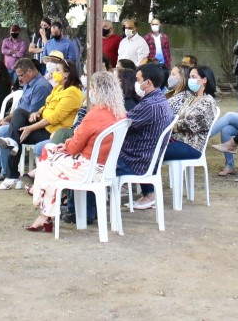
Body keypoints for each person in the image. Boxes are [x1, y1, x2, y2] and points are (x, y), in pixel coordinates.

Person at [24, 71, 126, 232]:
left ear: (98, 90)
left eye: (91, 88)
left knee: (47, 155)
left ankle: (39, 197)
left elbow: (73, 148)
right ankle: (43, 214)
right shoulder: (120, 113)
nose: (89, 91)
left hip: (87, 169)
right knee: (50, 153)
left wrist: (66, 144)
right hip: (105, 167)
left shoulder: (94, 115)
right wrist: (66, 145)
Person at [0, 58, 83, 187]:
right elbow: (47, 105)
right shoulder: (59, 88)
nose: (53, 73)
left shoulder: (73, 92)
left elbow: (55, 117)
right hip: (43, 123)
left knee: (14, 134)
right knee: (19, 113)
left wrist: (30, 128)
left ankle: (11, 174)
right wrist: (37, 112)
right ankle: (11, 164)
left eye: (57, 70)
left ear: (66, 74)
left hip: (53, 131)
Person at [108, 63, 176, 213]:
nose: (136, 83)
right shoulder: (158, 99)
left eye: (138, 80)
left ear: (148, 82)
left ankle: (90, 209)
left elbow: (122, 123)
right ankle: (149, 195)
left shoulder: (150, 105)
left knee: (96, 163)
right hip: (145, 155)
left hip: (136, 160)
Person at [0, 58, 52, 180]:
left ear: (29, 71)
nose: (19, 79)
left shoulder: (41, 86)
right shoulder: (28, 83)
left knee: (2, 131)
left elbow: (31, 115)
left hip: (30, 124)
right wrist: (6, 119)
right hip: (18, 119)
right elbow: (20, 108)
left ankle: (6, 171)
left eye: (20, 75)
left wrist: (10, 122)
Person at [164, 65, 218, 162]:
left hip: (192, 145)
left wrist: (169, 126)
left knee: (152, 152)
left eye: (194, 77)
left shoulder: (207, 102)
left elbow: (191, 125)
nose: (190, 80)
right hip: (177, 141)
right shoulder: (190, 99)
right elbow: (178, 118)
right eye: (189, 77)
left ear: (204, 80)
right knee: (149, 148)